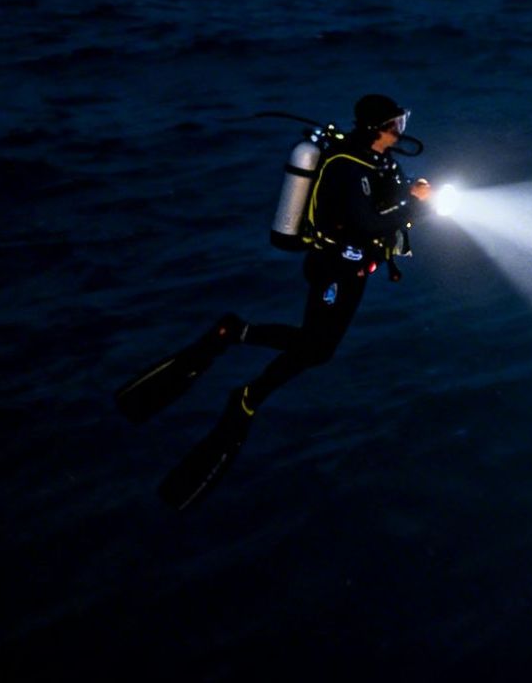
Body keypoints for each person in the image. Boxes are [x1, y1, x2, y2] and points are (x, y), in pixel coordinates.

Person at [116, 94, 434, 509]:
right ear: (380, 127)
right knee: (316, 346)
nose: (401, 130)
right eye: (397, 123)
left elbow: (385, 205)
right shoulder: (345, 166)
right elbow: (366, 221)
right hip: (334, 268)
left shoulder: (379, 163)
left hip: (356, 269)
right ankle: (246, 389)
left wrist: (412, 194)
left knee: (318, 348)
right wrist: (416, 207)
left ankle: (236, 340)